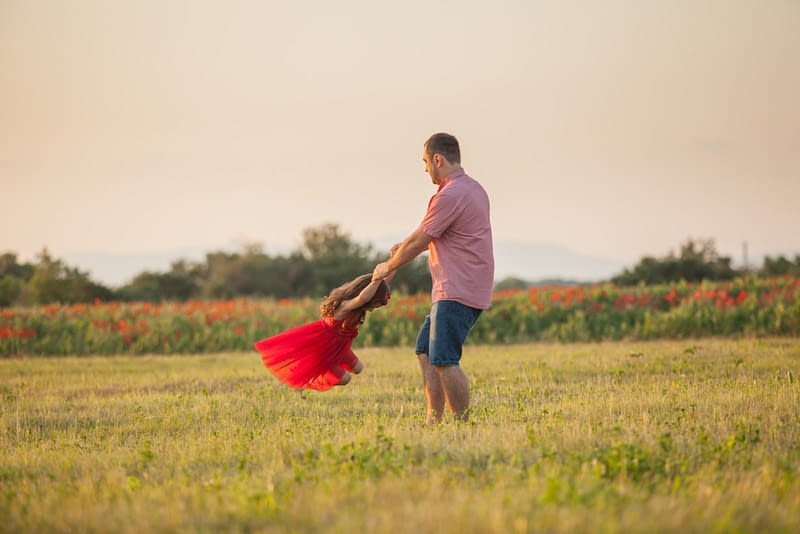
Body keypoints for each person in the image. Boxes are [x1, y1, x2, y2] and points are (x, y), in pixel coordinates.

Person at [373, 132, 494, 423]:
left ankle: (461, 426)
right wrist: (402, 247)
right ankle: (433, 421)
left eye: (426, 162)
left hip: (457, 289)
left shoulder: (450, 195)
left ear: (438, 159)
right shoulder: (471, 189)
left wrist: (388, 267)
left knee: (444, 359)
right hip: (458, 286)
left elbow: (420, 241)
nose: (426, 169)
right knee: (426, 351)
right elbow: (426, 233)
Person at [254, 273, 392, 392]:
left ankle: (312, 373)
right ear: (370, 295)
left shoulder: (359, 306)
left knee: (358, 368)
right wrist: (376, 280)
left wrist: (393, 264)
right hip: (326, 348)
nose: (374, 308)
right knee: (345, 379)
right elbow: (363, 298)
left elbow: (381, 285)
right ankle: (307, 378)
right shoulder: (346, 305)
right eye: (375, 304)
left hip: (341, 347)